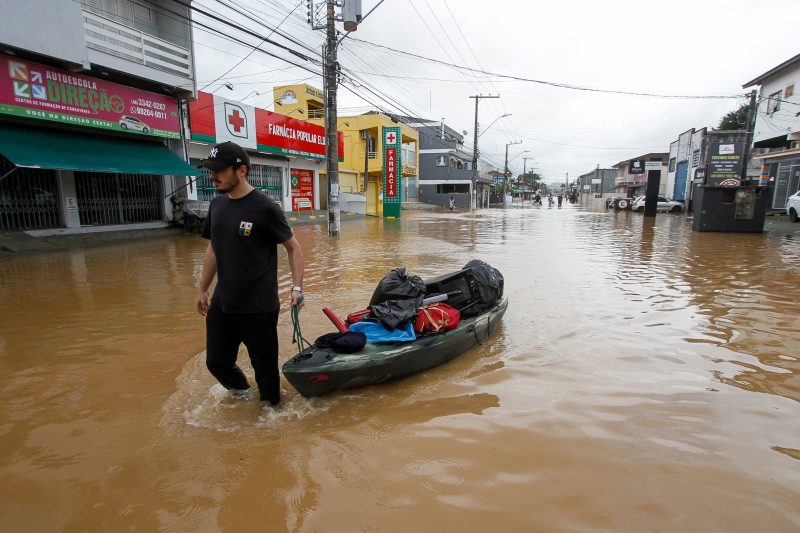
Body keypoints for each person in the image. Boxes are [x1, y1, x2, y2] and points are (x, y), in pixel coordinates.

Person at [194, 141, 305, 405]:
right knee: (217, 362)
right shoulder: (217, 206)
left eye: (219, 170)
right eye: (210, 169)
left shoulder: (265, 207)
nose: (213, 176)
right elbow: (213, 249)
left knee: (266, 374)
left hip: (258, 307)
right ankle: (243, 395)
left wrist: (297, 288)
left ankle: (272, 417)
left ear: (241, 170)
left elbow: (294, 248)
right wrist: (202, 289)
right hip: (224, 303)